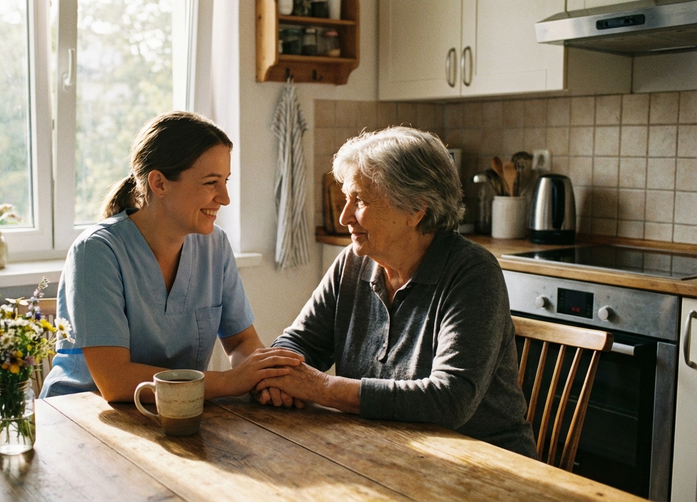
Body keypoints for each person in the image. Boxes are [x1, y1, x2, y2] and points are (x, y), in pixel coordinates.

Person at [255, 126, 538, 458]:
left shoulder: (473, 273)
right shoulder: (353, 262)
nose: (345, 216)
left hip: (481, 464)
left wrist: (320, 388)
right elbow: (298, 342)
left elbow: (450, 400)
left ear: (415, 211)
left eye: (359, 200)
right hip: (385, 450)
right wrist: (281, 374)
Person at [40, 111, 303, 403]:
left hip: (176, 412)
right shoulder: (97, 251)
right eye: (210, 183)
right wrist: (230, 382)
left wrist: (264, 379)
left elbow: (241, 341)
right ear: (160, 183)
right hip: (81, 416)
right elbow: (114, 382)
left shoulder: (215, 245)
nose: (225, 197)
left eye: (226, 180)